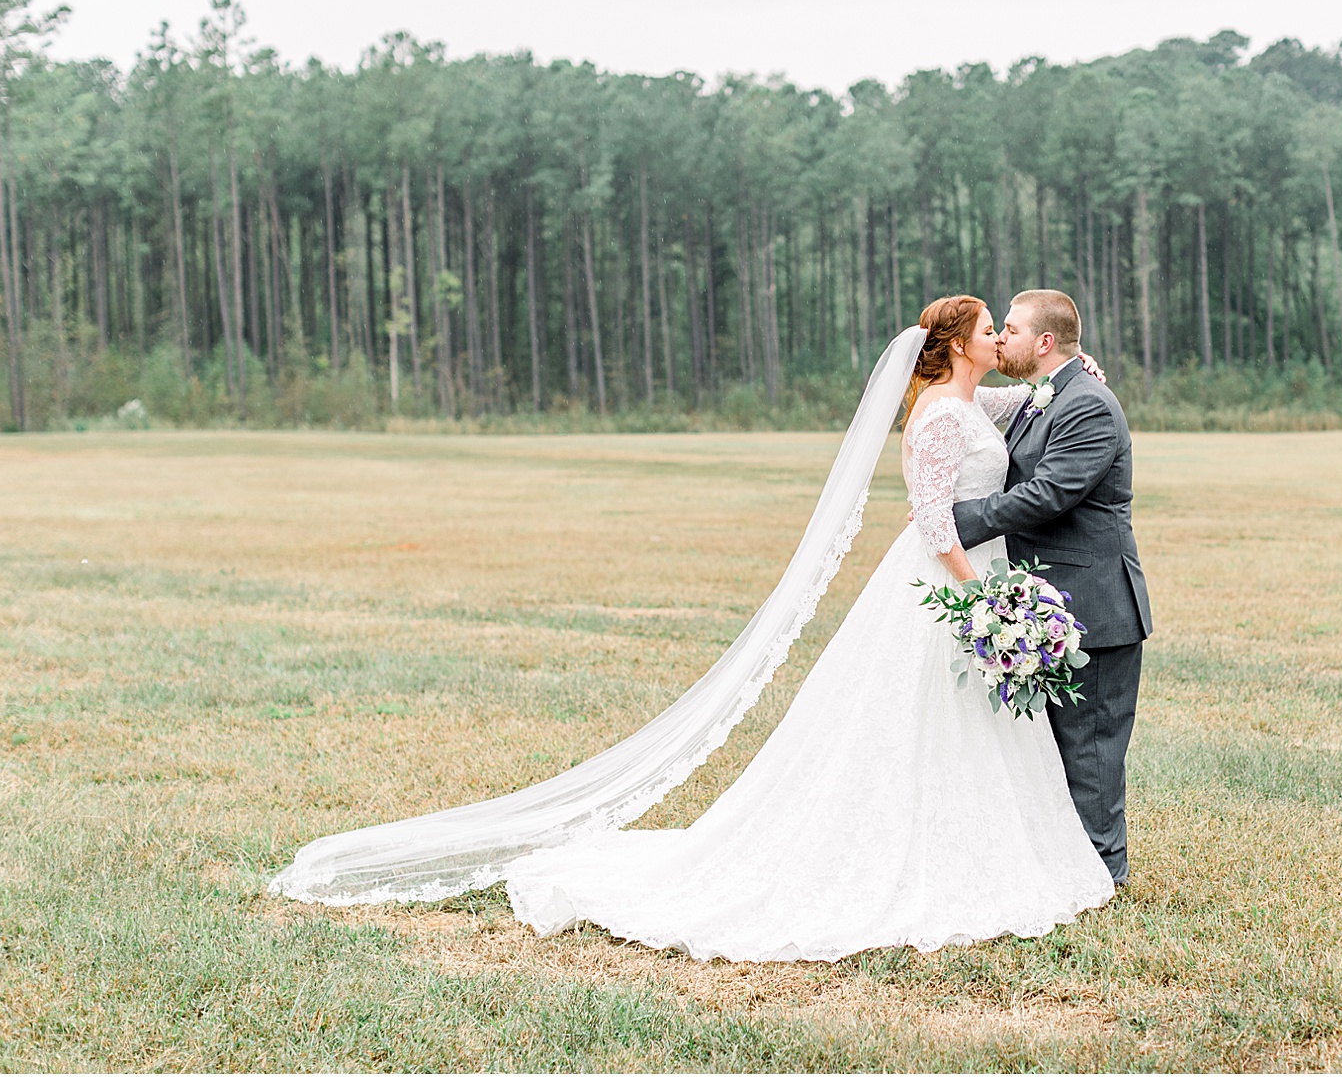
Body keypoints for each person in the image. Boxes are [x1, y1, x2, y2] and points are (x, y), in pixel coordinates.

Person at [269, 295, 1129, 963]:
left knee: (966, 729)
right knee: (906, 724)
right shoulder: (940, 416)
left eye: (1008, 327)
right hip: (951, 583)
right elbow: (936, 522)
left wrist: (1070, 367)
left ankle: (986, 846)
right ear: (959, 344)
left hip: (979, 582)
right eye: (990, 326)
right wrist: (982, 601)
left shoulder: (985, 400)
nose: (1001, 334)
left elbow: (1029, 397)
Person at [953, 289, 1152, 887]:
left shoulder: (1087, 405)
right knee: (1058, 748)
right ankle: (1066, 868)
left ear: (1044, 342)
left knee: (1091, 751)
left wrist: (957, 519)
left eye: (1009, 329)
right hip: (1053, 601)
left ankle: (1102, 876)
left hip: (1096, 604)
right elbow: (954, 391)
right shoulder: (1043, 396)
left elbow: (1050, 493)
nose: (1000, 338)